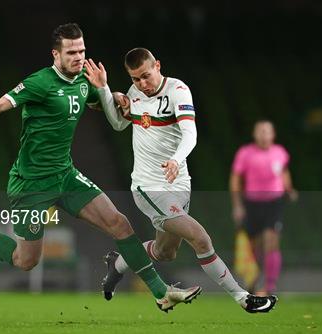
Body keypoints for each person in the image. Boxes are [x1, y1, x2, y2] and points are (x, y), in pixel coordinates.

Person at [0, 23, 192, 312]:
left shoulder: (84, 79)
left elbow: (98, 102)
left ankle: (160, 292)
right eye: (71, 52)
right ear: (55, 54)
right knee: (26, 261)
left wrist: (116, 95)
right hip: (31, 183)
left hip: (66, 175)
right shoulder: (39, 83)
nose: (79, 56)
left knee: (120, 224)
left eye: (81, 50)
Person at [84, 47, 277, 313]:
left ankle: (118, 263)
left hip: (178, 183)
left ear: (158, 66)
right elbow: (119, 124)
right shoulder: (134, 94)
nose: (142, 84)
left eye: (146, 76)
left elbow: (190, 134)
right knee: (199, 237)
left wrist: (176, 160)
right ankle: (244, 298)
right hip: (149, 186)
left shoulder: (177, 91)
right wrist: (106, 90)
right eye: (135, 79)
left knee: (165, 252)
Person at [230, 120, 297, 295]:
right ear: (255, 134)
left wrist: (289, 189)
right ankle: (252, 282)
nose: (264, 135)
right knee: (253, 246)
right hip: (252, 203)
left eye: (267, 131)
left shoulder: (280, 152)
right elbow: (236, 179)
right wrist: (237, 205)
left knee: (271, 241)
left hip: (274, 202)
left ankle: (270, 286)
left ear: (273, 135)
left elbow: (283, 172)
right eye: (260, 131)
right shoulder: (245, 153)